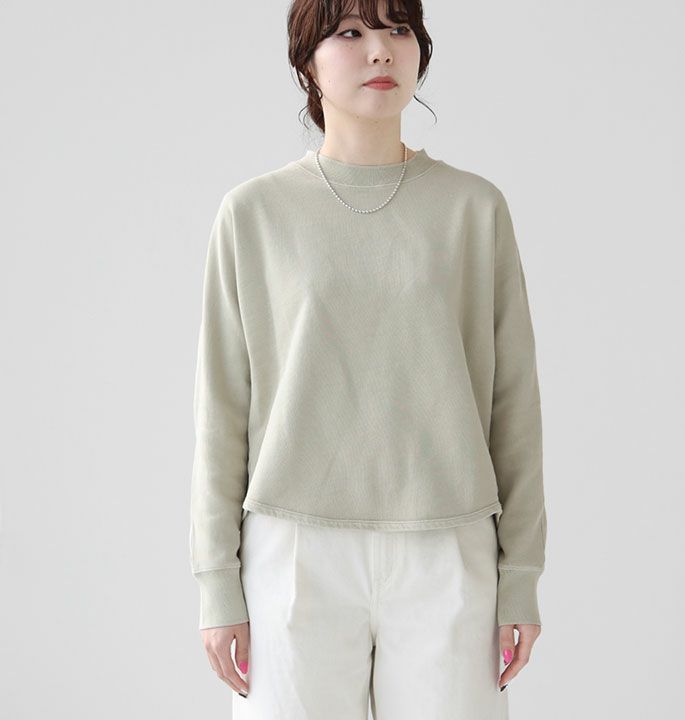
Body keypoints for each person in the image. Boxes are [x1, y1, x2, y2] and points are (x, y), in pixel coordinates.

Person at [189, 1, 547, 717]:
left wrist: (521, 577)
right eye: (350, 32)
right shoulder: (254, 213)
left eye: (397, 29)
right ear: (307, 61)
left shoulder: (474, 208)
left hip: (448, 544)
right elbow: (222, 407)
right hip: (294, 548)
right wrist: (216, 582)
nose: (380, 50)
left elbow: (513, 402)